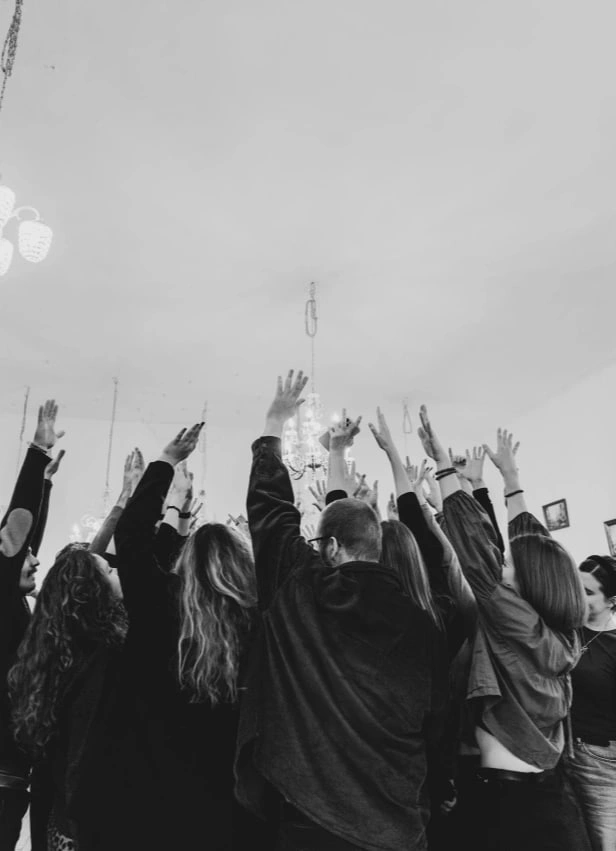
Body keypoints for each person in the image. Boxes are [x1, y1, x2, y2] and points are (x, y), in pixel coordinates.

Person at [235, 371, 448, 851]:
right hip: (397, 821)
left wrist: (274, 423)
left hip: (314, 820)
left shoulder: (305, 591)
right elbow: (435, 723)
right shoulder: (423, 619)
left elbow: (270, 512)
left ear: (329, 548)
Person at [416, 407, 590, 851]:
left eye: (509, 565)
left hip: (509, 805)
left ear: (527, 582)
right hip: (552, 792)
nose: (503, 566)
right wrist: (511, 481)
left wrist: (446, 468)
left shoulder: (514, 618)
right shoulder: (565, 632)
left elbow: (477, 552)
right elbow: (538, 549)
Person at [113, 423, 261, 851]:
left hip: (154, 788)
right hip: (233, 798)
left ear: (186, 561)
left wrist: (166, 462)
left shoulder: (160, 603)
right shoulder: (256, 621)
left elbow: (131, 537)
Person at [9, 547, 127, 851]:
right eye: (109, 570)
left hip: (59, 818)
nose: (118, 572)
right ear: (94, 591)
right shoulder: (105, 658)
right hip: (87, 825)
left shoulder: (52, 659)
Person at [0, 400, 64, 851]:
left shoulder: (14, 604)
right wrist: (37, 453)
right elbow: (15, 534)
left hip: (12, 779)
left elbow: (23, 542)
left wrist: (45, 485)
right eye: (27, 557)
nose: (36, 561)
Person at [564, 555, 616, 851]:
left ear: (612, 600)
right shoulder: (565, 629)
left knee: (603, 842)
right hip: (561, 752)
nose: (578, 597)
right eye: (575, 587)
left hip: (600, 759)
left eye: (588, 592)